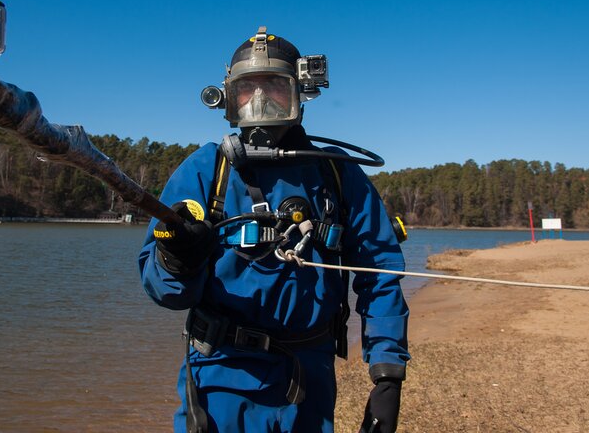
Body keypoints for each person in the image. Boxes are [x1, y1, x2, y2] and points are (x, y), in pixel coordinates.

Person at [139, 27, 409, 433]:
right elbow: (163, 290)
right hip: (218, 374)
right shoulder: (206, 170)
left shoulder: (336, 173)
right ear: (229, 98)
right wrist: (176, 258)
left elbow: (380, 271)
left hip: (310, 376)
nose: (260, 102)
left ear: (300, 93)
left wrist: (387, 373)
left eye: (274, 88)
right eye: (248, 90)